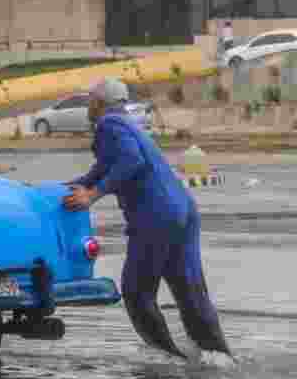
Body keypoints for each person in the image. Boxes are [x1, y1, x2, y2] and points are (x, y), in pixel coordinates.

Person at [63, 77, 233, 361]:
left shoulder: (109, 125)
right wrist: (63, 189)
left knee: (136, 292)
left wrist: (92, 195)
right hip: (182, 210)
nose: (88, 106)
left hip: (156, 216)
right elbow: (104, 168)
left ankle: (168, 358)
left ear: (99, 103)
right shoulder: (129, 125)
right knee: (190, 292)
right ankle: (218, 357)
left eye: (90, 100)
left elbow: (131, 162)